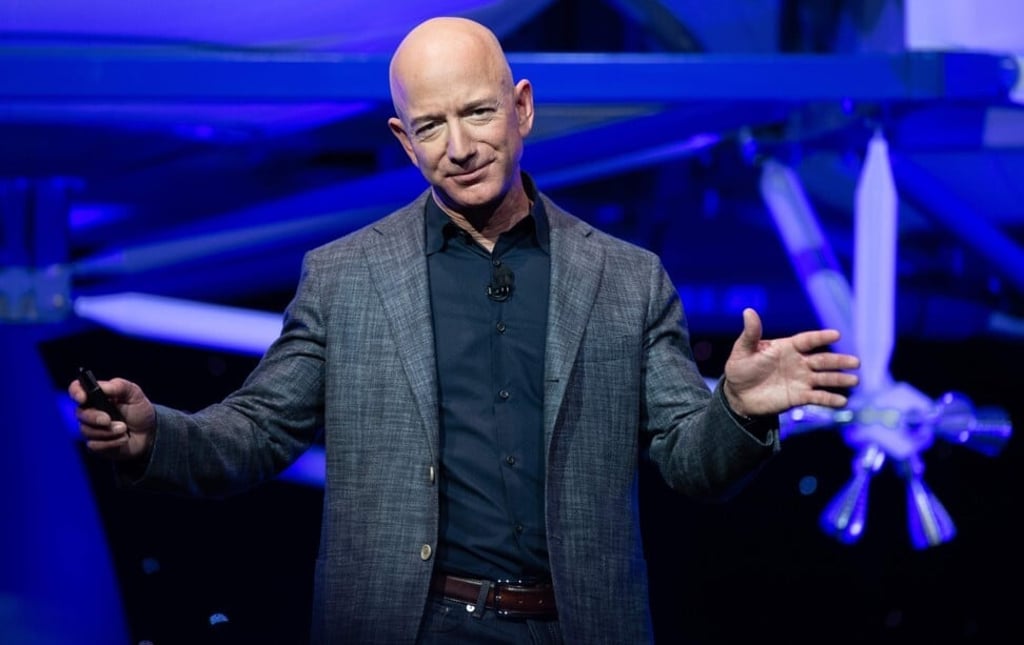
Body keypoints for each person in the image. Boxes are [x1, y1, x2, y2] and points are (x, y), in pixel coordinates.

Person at [70, 15, 859, 645]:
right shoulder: (347, 277)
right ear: (402, 141)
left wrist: (741, 408)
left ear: (521, 108)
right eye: (431, 125)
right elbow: (257, 431)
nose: (459, 147)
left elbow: (691, 461)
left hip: (572, 624)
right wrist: (154, 438)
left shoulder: (626, 278)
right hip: (407, 624)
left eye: (478, 113)